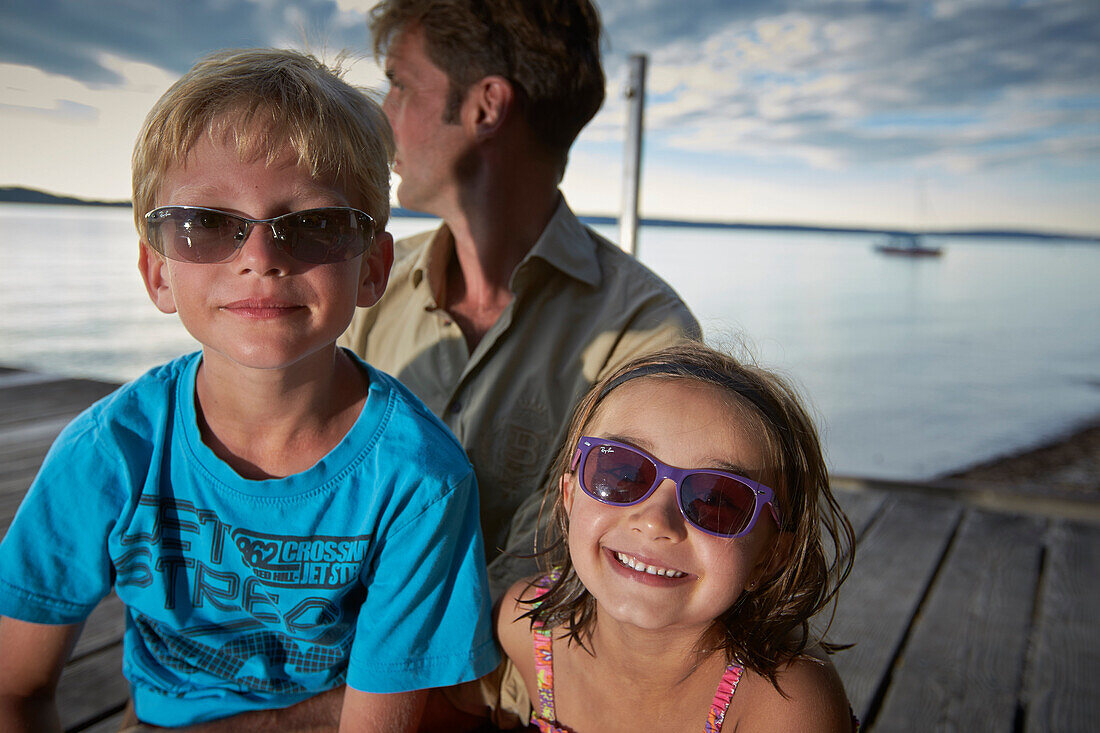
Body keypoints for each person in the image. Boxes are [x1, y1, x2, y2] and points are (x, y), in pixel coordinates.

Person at [0, 49, 497, 731]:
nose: (261, 256)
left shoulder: (419, 481)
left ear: (373, 269)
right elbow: (15, 686)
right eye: (206, 223)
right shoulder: (108, 453)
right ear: (159, 273)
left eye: (316, 223)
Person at [340, 0, 701, 595]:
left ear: (486, 107)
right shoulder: (362, 281)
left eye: (401, 85)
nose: (385, 115)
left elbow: (556, 584)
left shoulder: (648, 334)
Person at [486, 342, 859, 731]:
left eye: (716, 500)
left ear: (770, 556)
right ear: (570, 496)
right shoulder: (527, 628)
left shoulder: (784, 703)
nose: (655, 522)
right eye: (624, 474)